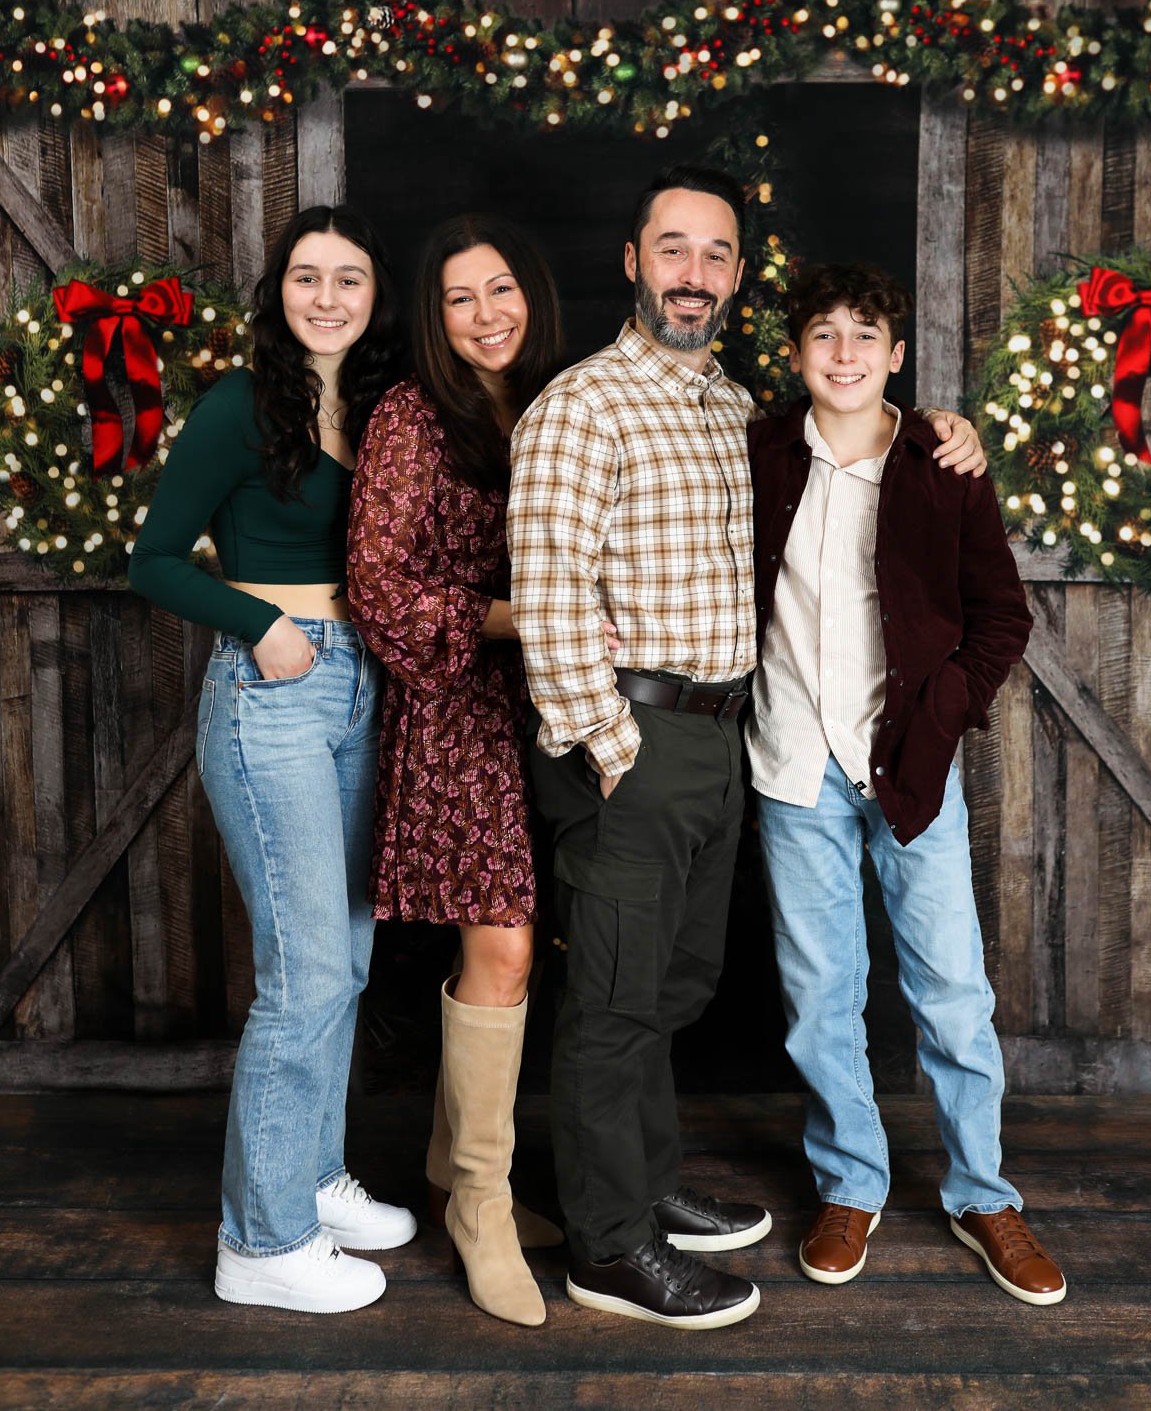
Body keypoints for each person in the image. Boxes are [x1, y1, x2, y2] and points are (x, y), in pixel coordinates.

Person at [506, 166, 989, 1329]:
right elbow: (549, 584)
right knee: (616, 997)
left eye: (715, 255)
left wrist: (944, 433)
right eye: (672, 249)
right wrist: (607, 738)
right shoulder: (583, 404)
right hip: (633, 739)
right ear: (632, 262)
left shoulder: (736, 410)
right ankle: (608, 1248)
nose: (694, 274)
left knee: (674, 982)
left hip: (727, 739)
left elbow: (851, 460)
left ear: (735, 275)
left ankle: (643, 1180)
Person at [747, 261, 1066, 1305]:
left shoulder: (941, 462)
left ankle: (983, 1194)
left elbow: (1002, 617)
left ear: (896, 353)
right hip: (794, 762)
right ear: (798, 355)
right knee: (819, 995)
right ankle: (851, 1182)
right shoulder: (758, 452)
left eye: (864, 335)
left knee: (953, 994)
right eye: (823, 335)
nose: (844, 353)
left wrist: (942, 710)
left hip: (911, 768)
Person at [128, 205, 415, 1314]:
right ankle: (260, 1239)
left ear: (373, 296)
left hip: (365, 690)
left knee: (344, 953)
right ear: (278, 291)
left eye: (350, 278)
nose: (329, 297)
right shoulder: (240, 406)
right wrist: (256, 620)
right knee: (303, 976)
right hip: (276, 693)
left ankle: (308, 1175)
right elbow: (153, 562)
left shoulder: (388, 413)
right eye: (308, 277)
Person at [349, 213, 593, 1328]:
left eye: (501, 290)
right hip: (455, 707)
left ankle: (455, 1171)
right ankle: (483, 1208)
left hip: (552, 706)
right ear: (435, 316)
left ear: (531, 295)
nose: (486, 314)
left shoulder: (554, 406)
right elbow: (382, 591)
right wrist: (521, 616)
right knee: (500, 938)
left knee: (518, 940)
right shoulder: (409, 417)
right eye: (460, 298)